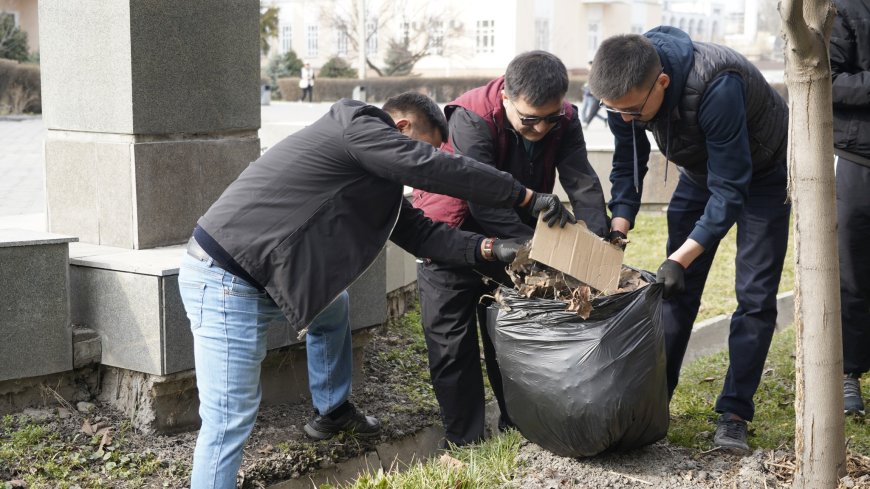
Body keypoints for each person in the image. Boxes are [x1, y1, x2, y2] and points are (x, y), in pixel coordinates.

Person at [178, 91, 573, 488]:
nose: (421, 166)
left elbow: (422, 234)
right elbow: (431, 167)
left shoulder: (372, 175)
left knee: (333, 308)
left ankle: (331, 412)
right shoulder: (355, 128)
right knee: (229, 419)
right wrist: (523, 195)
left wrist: (490, 248)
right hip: (228, 280)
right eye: (426, 145)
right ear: (401, 128)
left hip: (265, 276)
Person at [588, 27, 790, 454]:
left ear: (661, 83)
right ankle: (654, 401)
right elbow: (628, 164)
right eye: (615, 111)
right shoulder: (622, 90)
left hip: (763, 173)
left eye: (631, 111)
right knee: (674, 294)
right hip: (700, 173)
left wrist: (681, 257)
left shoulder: (716, 84)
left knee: (754, 295)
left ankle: (734, 414)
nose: (624, 118)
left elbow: (732, 189)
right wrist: (618, 231)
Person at [413, 51, 610, 447]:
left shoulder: (565, 120)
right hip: (451, 233)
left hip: (514, 231)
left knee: (515, 334)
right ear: (505, 96)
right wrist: (535, 249)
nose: (540, 129)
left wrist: (599, 244)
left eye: (550, 118)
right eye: (529, 119)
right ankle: (465, 442)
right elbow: (481, 196)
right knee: (452, 343)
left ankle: (517, 426)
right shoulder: (471, 116)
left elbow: (582, 180)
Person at [831, 0, 870, 417]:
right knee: (852, 273)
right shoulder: (843, 8)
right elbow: (825, 79)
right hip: (858, 159)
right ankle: (849, 373)